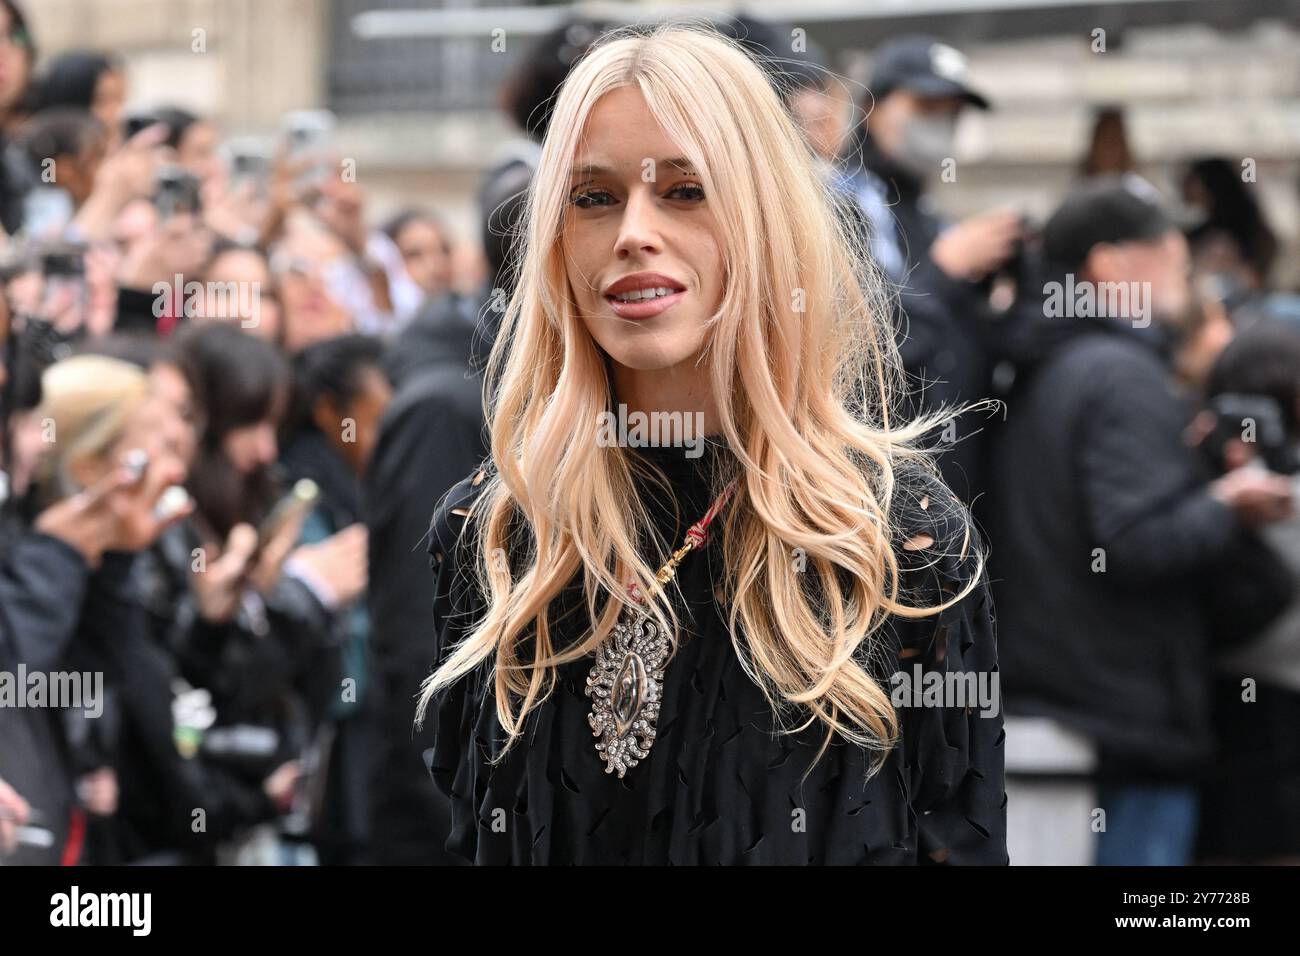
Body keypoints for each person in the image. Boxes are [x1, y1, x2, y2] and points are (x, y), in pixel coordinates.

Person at [417, 24, 1005, 865]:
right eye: (594, 197)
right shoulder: (497, 531)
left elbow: (958, 840)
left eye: (685, 191)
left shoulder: (896, 541)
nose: (634, 232)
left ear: (765, 223)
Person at [986, 177, 1294, 866]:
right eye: (1169, 250)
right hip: (1116, 725)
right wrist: (1227, 501)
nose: (1184, 266)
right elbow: (1134, 540)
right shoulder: (1118, 374)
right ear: (1111, 266)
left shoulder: (1046, 366)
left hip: (1065, 712)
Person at [839, 36, 1018, 506]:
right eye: (925, 104)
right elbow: (860, 349)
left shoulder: (928, 214)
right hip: (874, 496)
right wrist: (945, 270)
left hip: (953, 492)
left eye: (952, 111)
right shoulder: (833, 204)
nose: (940, 122)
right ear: (873, 110)